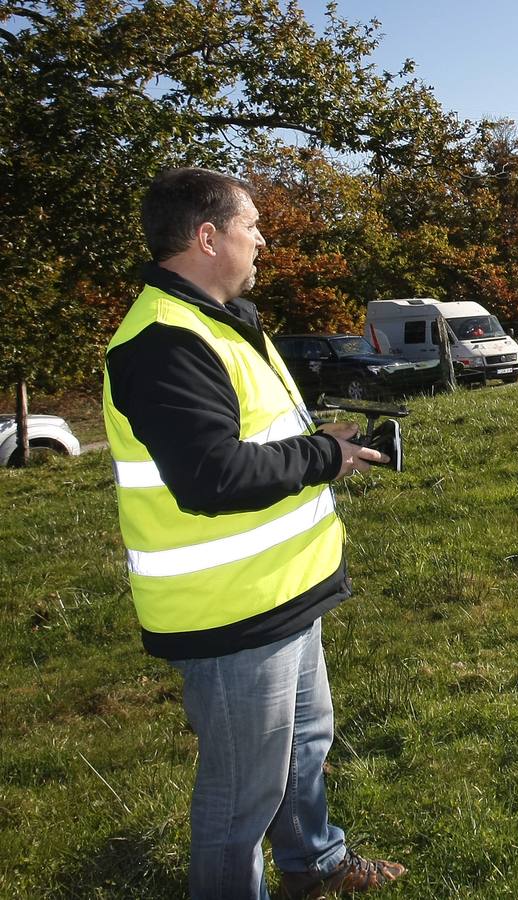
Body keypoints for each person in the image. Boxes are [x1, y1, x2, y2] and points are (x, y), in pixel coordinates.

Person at [103, 168, 407, 898]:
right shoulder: (163, 341)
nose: (263, 240)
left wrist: (320, 437)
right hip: (230, 610)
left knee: (304, 747)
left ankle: (315, 865)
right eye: (253, 227)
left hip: (282, 591)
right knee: (240, 798)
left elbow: (251, 436)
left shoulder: (222, 320)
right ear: (208, 237)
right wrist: (326, 456)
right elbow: (211, 476)